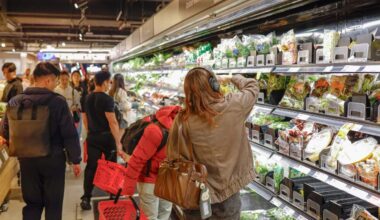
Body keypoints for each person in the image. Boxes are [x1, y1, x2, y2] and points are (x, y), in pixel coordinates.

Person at [167, 67, 259, 219]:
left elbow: (173, 156)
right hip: (229, 194)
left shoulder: (183, 120)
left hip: (196, 195)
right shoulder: (234, 105)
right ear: (214, 84)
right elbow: (252, 86)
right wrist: (231, 77)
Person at [1, 62, 82, 220]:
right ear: (48, 80)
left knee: (32, 205)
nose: (55, 85)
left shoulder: (15, 102)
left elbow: (4, 132)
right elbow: (69, 134)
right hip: (53, 161)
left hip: (27, 161)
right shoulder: (58, 103)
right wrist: (75, 159)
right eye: (55, 81)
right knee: (53, 205)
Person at [123, 105, 181, 220]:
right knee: (159, 215)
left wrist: (128, 187)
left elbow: (137, 160)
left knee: (155, 215)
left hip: (157, 181)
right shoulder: (177, 130)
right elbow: (137, 160)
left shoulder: (157, 130)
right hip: (160, 181)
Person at [80, 70, 127, 210]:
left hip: (93, 137)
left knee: (91, 168)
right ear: (105, 82)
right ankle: (112, 194)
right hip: (107, 138)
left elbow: (85, 119)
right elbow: (112, 122)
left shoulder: (86, 98)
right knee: (111, 166)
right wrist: (118, 143)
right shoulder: (107, 99)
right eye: (109, 82)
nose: (109, 85)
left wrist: (90, 133)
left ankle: (86, 198)